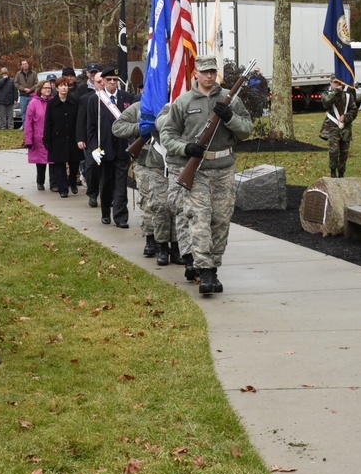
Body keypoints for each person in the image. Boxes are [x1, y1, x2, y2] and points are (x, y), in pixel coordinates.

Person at [158, 56, 252, 295]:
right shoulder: (184, 102)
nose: (209, 76)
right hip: (197, 170)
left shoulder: (230, 99)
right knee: (199, 220)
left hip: (223, 169)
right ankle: (205, 270)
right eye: (204, 72)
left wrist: (230, 117)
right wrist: (185, 148)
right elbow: (167, 134)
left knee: (220, 220)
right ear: (196, 75)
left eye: (212, 72)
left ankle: (215, 266)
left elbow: (246, 131)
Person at [112, 101, 180, 265]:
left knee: (174, 205)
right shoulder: (139, 107)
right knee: (150, 203)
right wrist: (142, 128)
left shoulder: (177, 105)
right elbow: (118, 127)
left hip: (172, 162)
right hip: (146, 162)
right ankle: (151, 238)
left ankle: (175, 245)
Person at [85, 67, 134, 227]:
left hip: (122, 149)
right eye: (109, 80)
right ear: (103, 82)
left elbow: (132, 123)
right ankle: (106, 212)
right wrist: (93, 149)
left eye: (115, 80)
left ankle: (121, 217)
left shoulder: (127, 98)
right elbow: (91, 128)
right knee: (106, 184)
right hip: (104, 149)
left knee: (121, 185)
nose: (112, 83)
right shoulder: (95, 100)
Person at [44, 77, 82, 198]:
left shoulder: (75, 102)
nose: (64, 87)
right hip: (57, 139)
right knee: (59, 164)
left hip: (72, 138)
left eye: (66, 85)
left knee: (74, 163)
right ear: (57, 88)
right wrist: (47, 139)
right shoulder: (52, 104)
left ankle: (72, 182)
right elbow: (48, 122)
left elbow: (79, 121)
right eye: (61, 85)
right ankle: (63, 188)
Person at [319, 78, 358, 178]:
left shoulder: (348, 95)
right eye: (335, 83)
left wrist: (346, 117)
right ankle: (333, 172)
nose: (337, 85)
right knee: (334, 151)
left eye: (339, 83)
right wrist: (336, 92)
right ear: (331, 83)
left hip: (345, 128)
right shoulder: (326, 93)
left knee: (344, 152)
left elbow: (354, 110)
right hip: (332, 127)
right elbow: (326, 103)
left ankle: (341, 173)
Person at [77, 70, 104, 207]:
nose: (102, 84)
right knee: (93, 166)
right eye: (99, 82)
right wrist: (80, 138)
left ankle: (108, 194)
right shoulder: (86, 99)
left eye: (103, 82)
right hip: (92, 140)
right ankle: (92, 194)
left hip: (108, 140)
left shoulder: (113, 99)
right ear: (94, 83)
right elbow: (81, 120)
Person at [24, 80, 53, 190]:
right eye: (45, 88)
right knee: (40, 162)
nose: (47, 90)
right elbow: (28, 122)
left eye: (49, 88)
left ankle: (54, 183)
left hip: (50, 136)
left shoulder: (53, 101)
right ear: (40, 89)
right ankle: (40, 181)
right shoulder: (33, 103)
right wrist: (28, 140)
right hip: (38, 136)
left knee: (53, 161)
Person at [14, 59, 37, 129]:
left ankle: (32, 125)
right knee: (23, 111)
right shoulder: (18, 74)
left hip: (32, 95)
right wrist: (23, 89)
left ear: (28, 64)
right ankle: (24, 125)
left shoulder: (33, 73)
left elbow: (36, 83)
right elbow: (16, 83)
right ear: (21, 66)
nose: (25, 65)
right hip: (23, 95)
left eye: (26, 63)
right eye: (23, 64)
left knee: (32, 111)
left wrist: (31, 89)